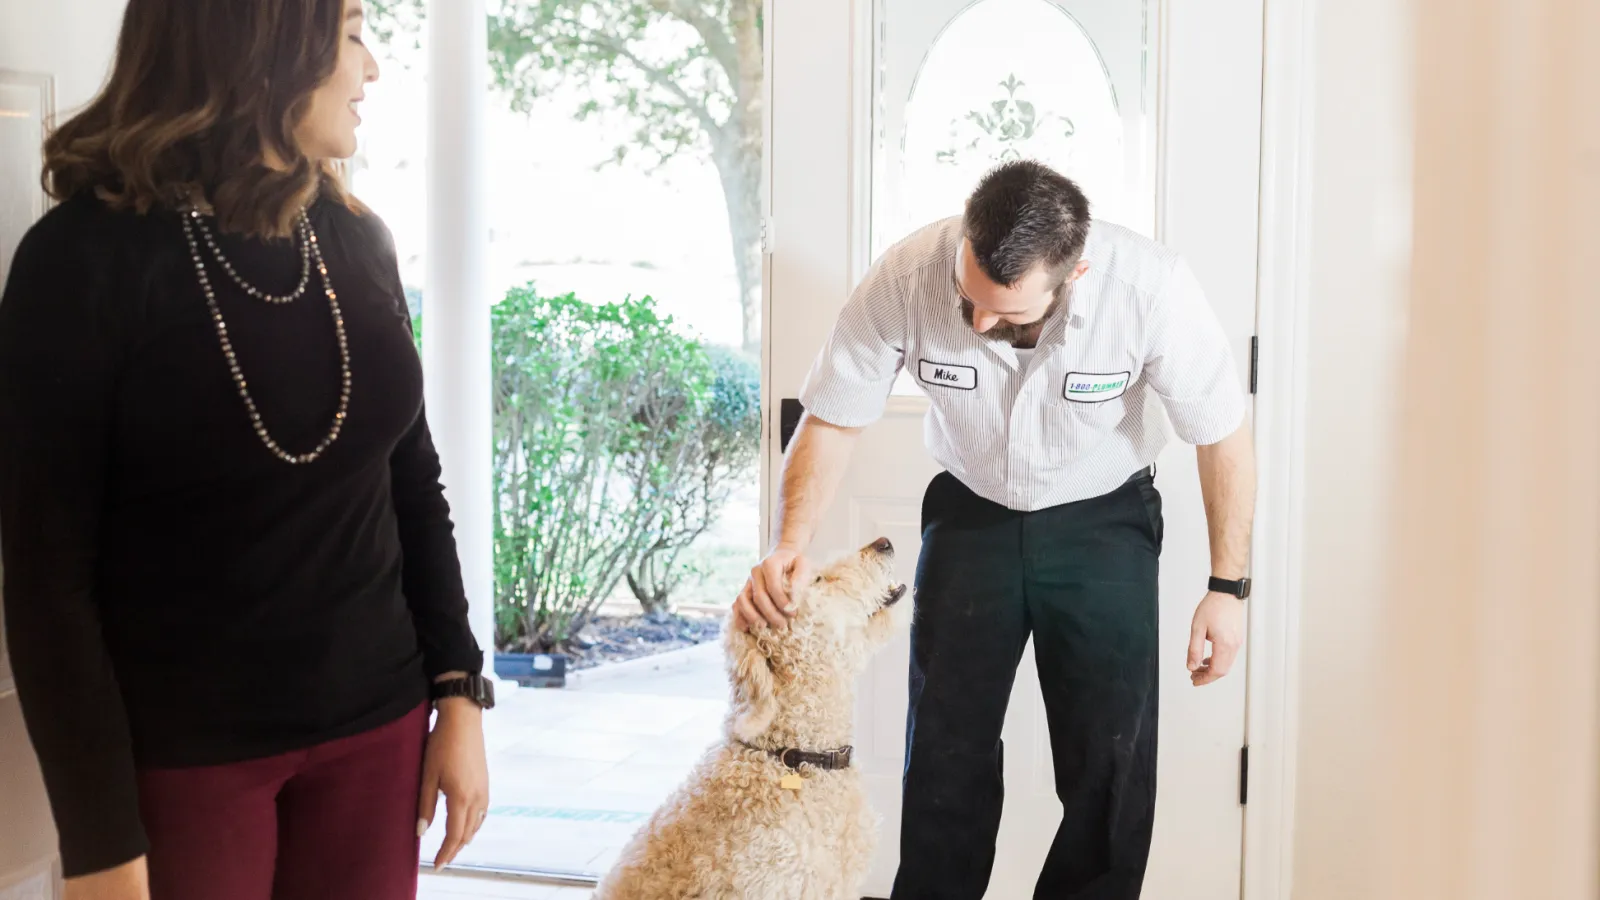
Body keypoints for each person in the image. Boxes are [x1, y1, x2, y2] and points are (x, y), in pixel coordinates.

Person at [0, 1, 495, 898]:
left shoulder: (357, 240)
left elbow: (410, 484)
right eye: (350, 32)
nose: (372, 68)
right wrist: (100, 847)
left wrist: (459, 690)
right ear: (264, 40)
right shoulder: (78, 263)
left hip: (378, 729)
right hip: (189, 759)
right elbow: (46, 580)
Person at [734, 160, 1256, 899]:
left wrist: (1227, 587)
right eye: (968, 298)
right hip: (972, 508)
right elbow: (833, 414)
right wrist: (789, 544)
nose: (978, 323)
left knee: (1110, 757)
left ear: (1073, 275)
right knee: (946, 750)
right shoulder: (907, 276)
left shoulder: (1150, 290)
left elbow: (1223, 434)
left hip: (1104, 517)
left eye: (1004, 314)